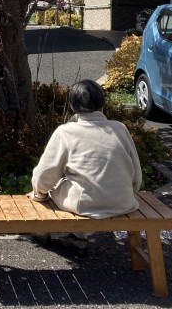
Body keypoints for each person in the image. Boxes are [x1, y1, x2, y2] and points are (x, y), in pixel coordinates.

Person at [30, 79, 142, 249]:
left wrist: (39, 194)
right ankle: (77, 237)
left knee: (55, 187)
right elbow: (136, 173)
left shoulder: (66, 132)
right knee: (81, 183)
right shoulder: (120, 129)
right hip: (124, 202)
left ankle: (43, 231)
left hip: (85, 205)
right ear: (102, 105)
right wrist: (131, 191)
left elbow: (46, 174)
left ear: (72, 107)